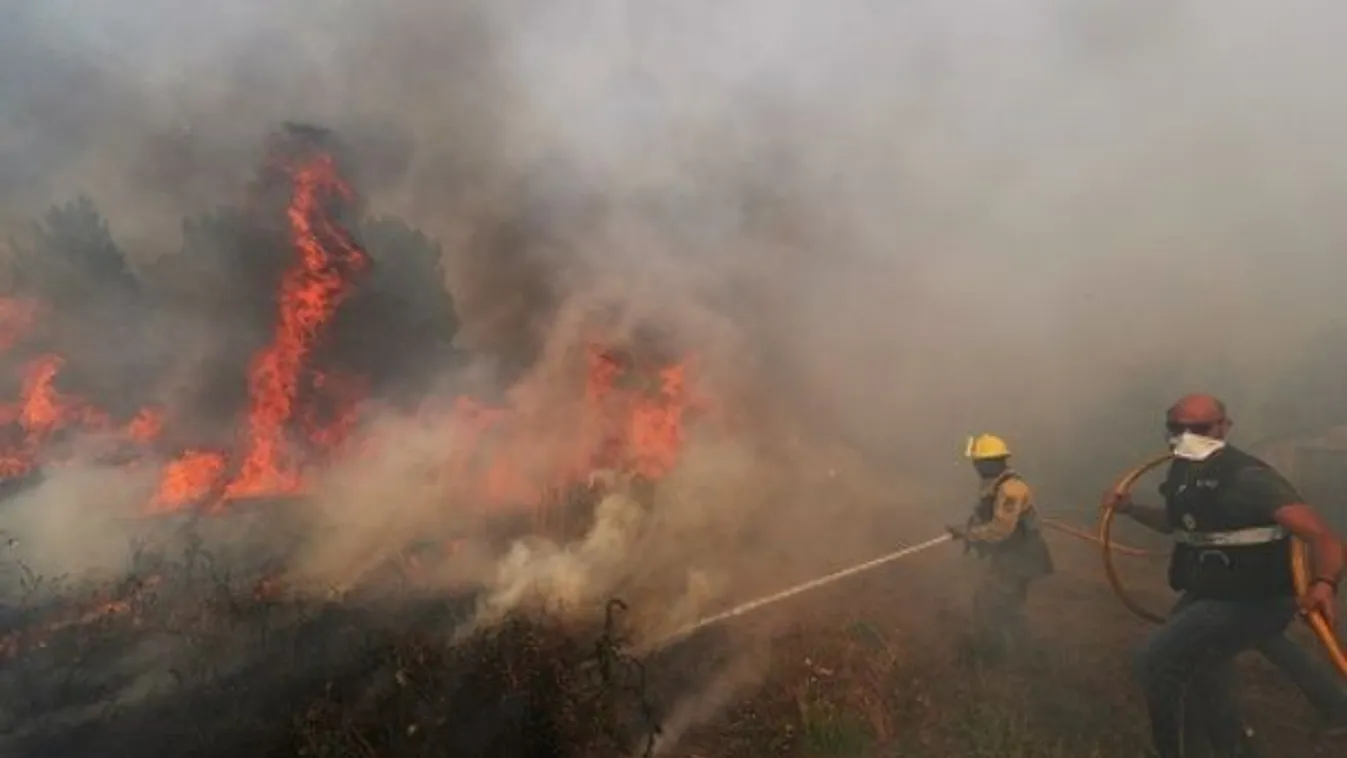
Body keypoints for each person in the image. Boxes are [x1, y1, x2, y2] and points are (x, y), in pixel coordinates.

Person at [1103, 394, 1346, 758]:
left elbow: (1322, 535)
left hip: (1251, 600)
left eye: (1198, 428)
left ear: (1223, 427)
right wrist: (1131, 510)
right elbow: (1177, 524)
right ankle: (1234, 747)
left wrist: (1324, 583)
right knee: (1206, 670)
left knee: (1158, 661)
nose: (1186, 437)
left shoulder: (1248, 478)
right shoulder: (1182, 472)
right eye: (1176, 428)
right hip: (1206, 595)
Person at [947, 433, 1055, 662]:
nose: (975, 467)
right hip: (1011, 556)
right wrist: (966, 530)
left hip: (1022, 557)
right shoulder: (994, 485)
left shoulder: (1011, 489)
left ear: (991, 462)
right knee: (1008, 606)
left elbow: (1000, 530)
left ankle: (992, 655)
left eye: (978, 462)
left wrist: (969, 534)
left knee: (987, 601)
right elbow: (983, 516)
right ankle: (1025, 654)